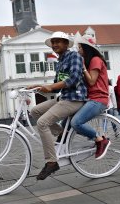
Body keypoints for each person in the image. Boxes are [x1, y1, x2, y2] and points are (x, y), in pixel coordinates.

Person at [28, 31, 87, 180]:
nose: (54, 45)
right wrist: (39, 86)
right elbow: (57, 86)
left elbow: (74, 78)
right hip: (64, 98)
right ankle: (62, 133)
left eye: (58, 41)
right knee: (34, 111)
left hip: (75, 99)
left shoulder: (74, 56)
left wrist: (51, 87)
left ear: (66, 44)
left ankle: (52, 162)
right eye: (53, 42)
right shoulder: (60, 61)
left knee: (42, 123)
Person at [70, 37, 110, 160]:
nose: (78, 50)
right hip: (91, 98)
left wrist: (83, 67)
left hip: (98, 99)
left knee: (76, 122)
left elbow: (92, 81)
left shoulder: (96, 60)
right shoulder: (90, 61)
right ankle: (94, 137)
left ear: (87, 49)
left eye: (80, 48)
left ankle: (100, 140)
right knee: (67, 119)